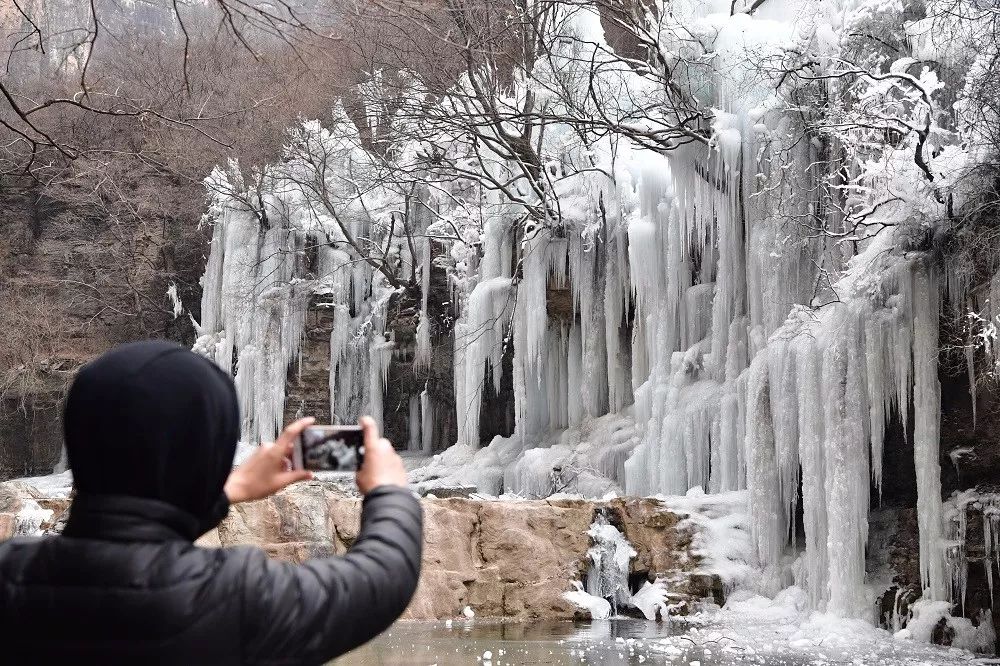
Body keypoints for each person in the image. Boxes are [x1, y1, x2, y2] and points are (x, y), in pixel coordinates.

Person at [0, 341, 423, 664]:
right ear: (209, 452)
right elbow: (381, 578)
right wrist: (388, 492)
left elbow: (126, 538)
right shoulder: (233, 599)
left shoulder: (12, 572)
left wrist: (222, 492)